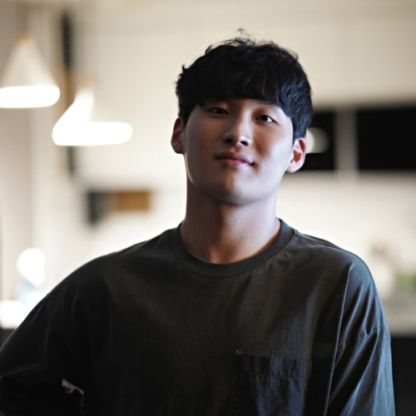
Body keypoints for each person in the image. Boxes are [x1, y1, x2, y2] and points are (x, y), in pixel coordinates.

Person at [0, 37, 395, 415]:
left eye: (264, 118)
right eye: (218, 111)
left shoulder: (336, 284)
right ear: (179, 134)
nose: (238, 133)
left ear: (296, 153)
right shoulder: (106, 287)